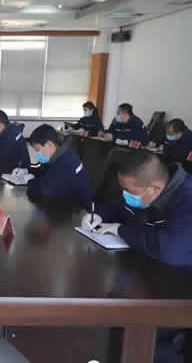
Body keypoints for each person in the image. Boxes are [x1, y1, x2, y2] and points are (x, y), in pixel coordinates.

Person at [82, 152, 192, 362]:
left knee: (144, 336)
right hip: (151, 274)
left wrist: (121, 230)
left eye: (130, 192)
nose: (126, 195)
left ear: (155, 189)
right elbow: (120, 207)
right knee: (114, 315)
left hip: (182, 290)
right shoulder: (146, 191)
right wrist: (99, 214)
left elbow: (171, 249)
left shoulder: (188, 199)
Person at [27, 124, 92, 209]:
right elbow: (43, 170)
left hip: (78, 211)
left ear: (49, 144)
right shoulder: (56, 156)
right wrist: (27, 170)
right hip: (63, 202)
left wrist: (29, 181)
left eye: (38, 150)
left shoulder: (67, 162)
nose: (37, 154)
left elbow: (46, 190)